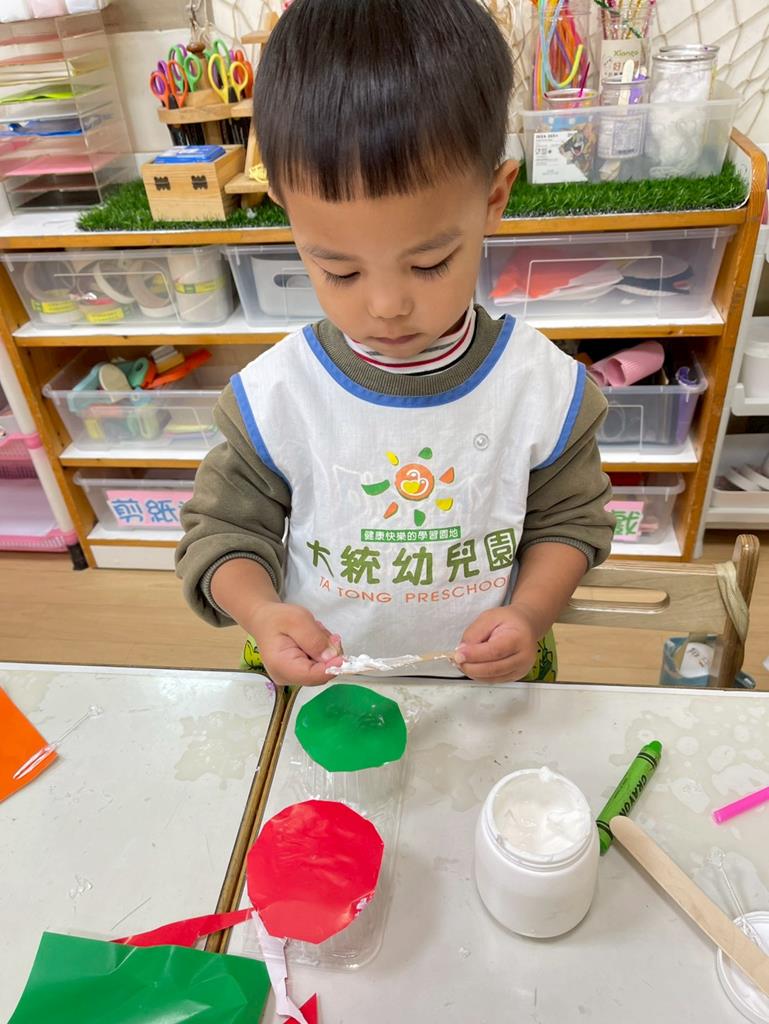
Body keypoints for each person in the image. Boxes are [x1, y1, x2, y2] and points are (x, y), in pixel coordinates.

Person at [176, 0, 615, 686]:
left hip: (487, 695)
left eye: (429, 263)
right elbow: (221, 533)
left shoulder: (541, 388)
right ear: (286, 211)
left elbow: (571, 522)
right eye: (339, 270)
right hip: (326, 688)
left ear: (494, 198)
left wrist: (529, 613)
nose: (385, 306)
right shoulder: (277, 395)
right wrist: (261, 612)